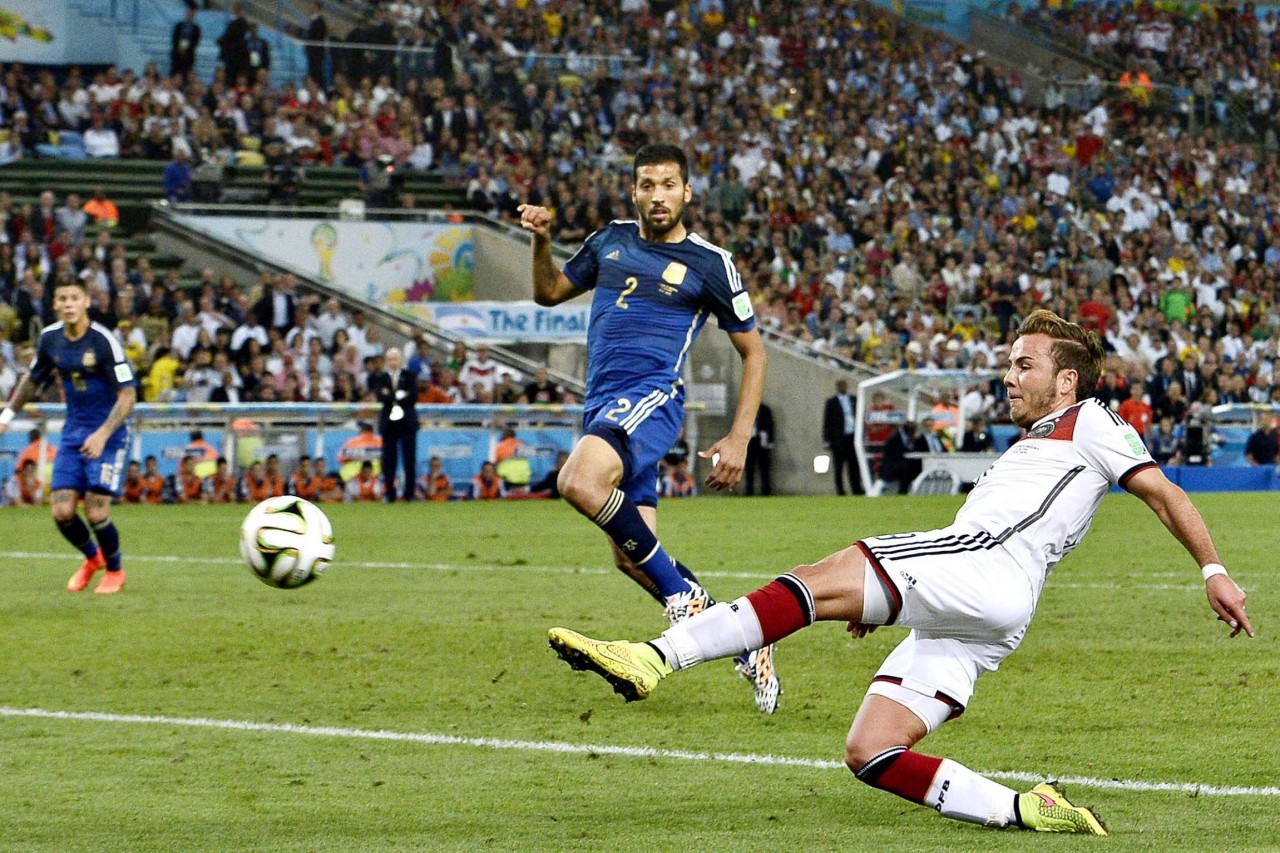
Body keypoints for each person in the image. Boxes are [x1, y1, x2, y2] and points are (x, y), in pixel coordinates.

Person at [548, 310, 1253, 836]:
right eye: (1009, 363)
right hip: (989, 607)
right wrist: (895, 598)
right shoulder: (1043, 441)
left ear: (1065, 379)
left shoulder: (1092, 419)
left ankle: (653, 657)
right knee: (871, 747)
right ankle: (1022, 809)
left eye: (1024, 365)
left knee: (813, 577)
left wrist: (1214, 569)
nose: (1008, 376)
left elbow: (1164, 490)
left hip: (980, 563)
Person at [518, 143, 778, 713]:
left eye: (668, 185)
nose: (657, 196)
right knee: (629, 555)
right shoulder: (609, 240)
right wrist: (540, 240)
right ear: (633, 191)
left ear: (687, 192)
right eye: (646, 185)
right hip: (602, 405)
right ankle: (744, 636)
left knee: (577, 482)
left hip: (652, 398)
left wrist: (739, 437)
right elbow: (548, 293)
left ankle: (684, 596)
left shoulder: (712, 263)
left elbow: (754, 354)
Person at [0, 276, 137, 593]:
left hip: (109, 434)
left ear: (87, 301)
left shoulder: (103, 341)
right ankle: (93, 559)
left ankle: (115, 572)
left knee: (95, 509)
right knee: (61, 511)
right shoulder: (50, 339)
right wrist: (7, 414)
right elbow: (32, 380)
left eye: (75, 298)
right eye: (63, 299)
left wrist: (103, 434)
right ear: (55, 305)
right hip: (74, 431)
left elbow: (128, 395)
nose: (69, 304)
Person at [369, 346, 418, 501]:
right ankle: (390, 493)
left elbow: (413, 396)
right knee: (389, 460)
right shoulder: (381, 378)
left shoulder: (410, 376)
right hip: (389, 424)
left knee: (409, 460)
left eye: (395, 358)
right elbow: (381, 397)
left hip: (407, 423)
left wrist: (392, 396)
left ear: (401, 360)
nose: (392, 362)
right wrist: (399, 396)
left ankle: (409, 494)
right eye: (389, 359)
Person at [822, 379, 863, 495]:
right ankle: (840, 491)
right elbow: (827, 422)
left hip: (852, 437)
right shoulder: (831, 402)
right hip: (838, 439)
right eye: (840, 385)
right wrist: (826, 439)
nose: (843, 387)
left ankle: (856, 489)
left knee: (854, 466)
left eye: (844, 385)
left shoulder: (854, 400)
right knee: (839, 467)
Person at [745, 401, 774, 496]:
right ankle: (749, 491)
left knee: (764, 468)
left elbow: (770, 425)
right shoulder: (745, 409)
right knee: (749, 468)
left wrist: (770, 441)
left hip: (761, 441)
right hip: (750, 441)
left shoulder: (765, 410)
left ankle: (766, 491)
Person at [171, 4, 201, 79]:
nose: (190, 14)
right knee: (175, 74)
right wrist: (180, 49)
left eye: (192, 13)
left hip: (189, 56)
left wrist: (185, 49)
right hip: (177, 55)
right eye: (189, 12)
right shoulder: (179, 26)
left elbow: (195, 42)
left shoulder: (196, 28)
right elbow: (175, 39)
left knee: (187, 76)